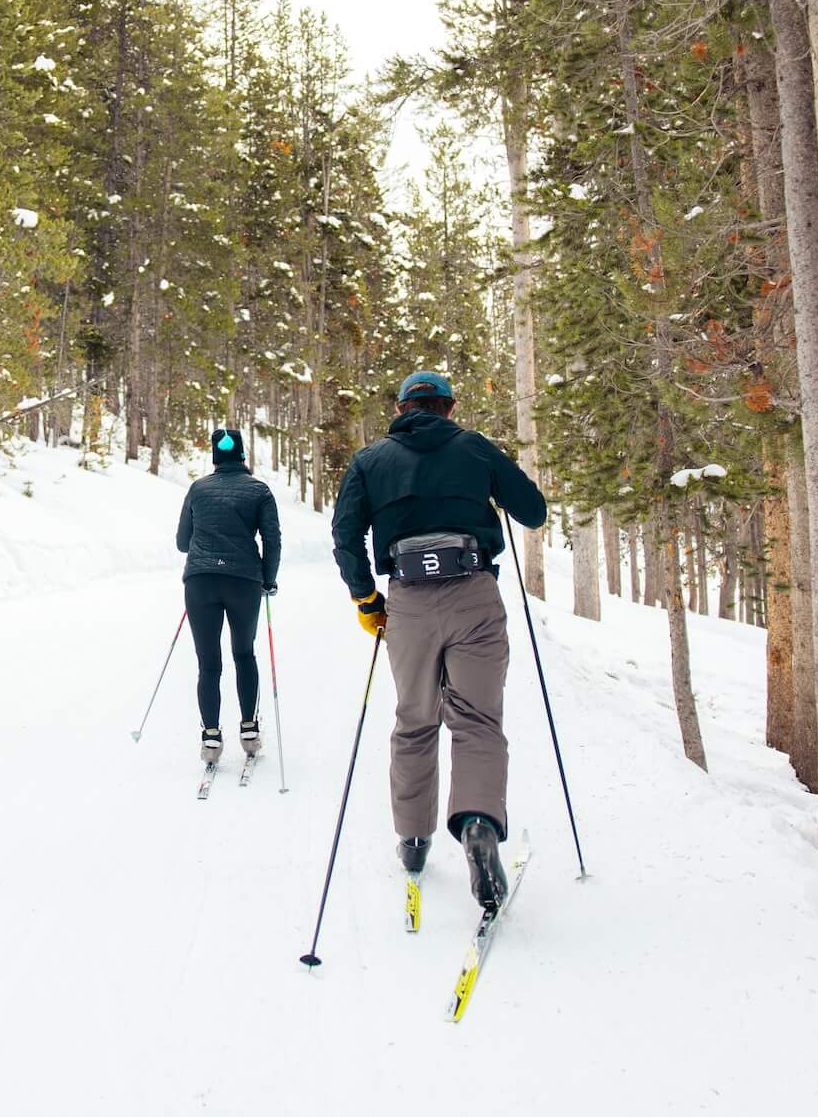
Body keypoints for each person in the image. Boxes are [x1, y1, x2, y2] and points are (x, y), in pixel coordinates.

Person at [330, 371, 546, 912]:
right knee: (476, 720)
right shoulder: (474, 448)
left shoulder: (370, 460)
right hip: (474, 592)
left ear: (402, 408)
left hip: (409, 601)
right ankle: (477, 823)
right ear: (448, 408)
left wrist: (366, 599)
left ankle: (414, 839)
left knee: (415, 719)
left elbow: (345, 533)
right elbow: (534, 511)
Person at [175, 426, 282, 763]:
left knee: (208, 663)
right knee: (243, 654)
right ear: (243, 455)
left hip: (200, 581)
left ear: (214, 456)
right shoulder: (259, 490)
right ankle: (249, 730)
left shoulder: (198, 489)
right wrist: (269, 579)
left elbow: (182, 541)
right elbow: (272, 539)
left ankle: (210, 738)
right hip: (244, 581)